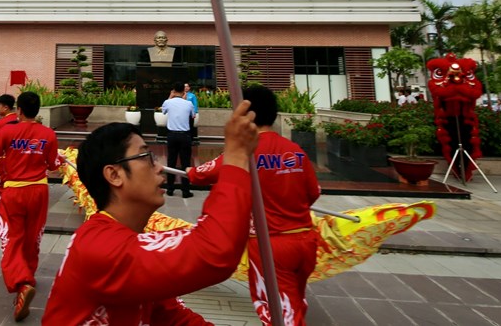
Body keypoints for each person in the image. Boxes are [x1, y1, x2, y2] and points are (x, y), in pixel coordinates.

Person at [42, 100, 259, 324]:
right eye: (146, 157)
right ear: (114, 175)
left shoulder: (132, 247)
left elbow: (173, 318)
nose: (159, 167)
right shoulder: (98, 247)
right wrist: (235, 158)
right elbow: (214, 252)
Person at [188, 85, 321, 325]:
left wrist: (190, 171)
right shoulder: (296, 151)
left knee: (276, 311)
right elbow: (312, 193)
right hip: (306, 240)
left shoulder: (246, 151)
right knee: (294, 301)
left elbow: (201, 174)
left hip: (270, 247)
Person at [0, 91, 60, 322]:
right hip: (39, 190)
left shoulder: (7, 131)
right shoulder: (48, 134)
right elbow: (53, 165)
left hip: (14, 190)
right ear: (38, 110)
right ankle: (29, 276)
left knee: (11, 238)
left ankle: (22, 282)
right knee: (32, 235)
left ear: (19, 110)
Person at [162, 83, 195, 198]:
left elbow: (163, 111)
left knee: (171, 162)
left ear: (174, 91)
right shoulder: (189, 103)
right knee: (185, 163)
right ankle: (185, 191)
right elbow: (193, 116)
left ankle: (170, 189)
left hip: (172, 135)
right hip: (185, 135)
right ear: (184, 92)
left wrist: (170, 97)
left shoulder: (168, 102)